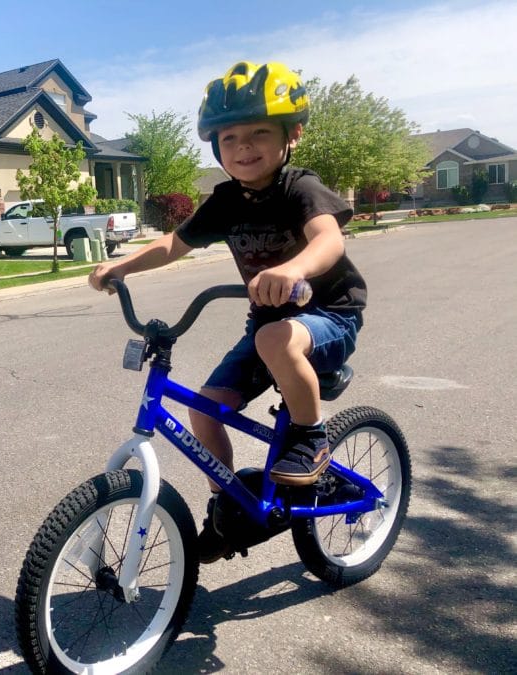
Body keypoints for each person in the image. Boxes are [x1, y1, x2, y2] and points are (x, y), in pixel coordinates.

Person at [88, 61, 367, 563]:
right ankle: (228, 507)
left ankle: (311, 437)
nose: (243, 146)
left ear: (292, 135)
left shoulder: (298, 188)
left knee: (276, 339)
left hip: (329, 315)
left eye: (260, 132)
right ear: (216, 146)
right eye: (229, 137)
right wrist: (122, 266)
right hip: (269, 324)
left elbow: (328, 238)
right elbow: (176, 242)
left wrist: (296, 270)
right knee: (204, 408)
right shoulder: (225, 200)